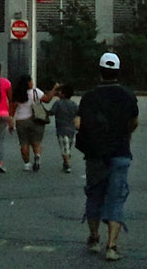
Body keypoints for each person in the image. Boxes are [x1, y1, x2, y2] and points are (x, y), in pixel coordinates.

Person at [74, 52, 139, 262]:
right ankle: (112, 246)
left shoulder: (89, 96)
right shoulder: (128, 95)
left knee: (94, 195)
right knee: (116, 199)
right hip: (120, 151)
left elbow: (79, 123)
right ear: (118, 71)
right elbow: (134, 122)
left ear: (100, 71)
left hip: (95, 154)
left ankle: (94, 238)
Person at [10, 74, 59, 172]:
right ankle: (37, 156)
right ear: (28, 82)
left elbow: (12, 109)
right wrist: (54, 89)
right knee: (36, 142)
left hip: (21, 120)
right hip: (36, 119)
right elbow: (47, 99)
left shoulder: (17, 94)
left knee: (24, 143)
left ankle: (27, 164)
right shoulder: (35, 91)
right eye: (31, 81)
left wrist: (11, 122)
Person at [49, 84, 78, 173]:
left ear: (63, 94)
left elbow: (51, 112)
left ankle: (67, 164)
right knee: (68, 145)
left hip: (61, 128)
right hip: (71, 129)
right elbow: (78, 114)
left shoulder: (58, 103)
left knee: (64, 147)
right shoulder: (74, 104)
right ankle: (66, 161)